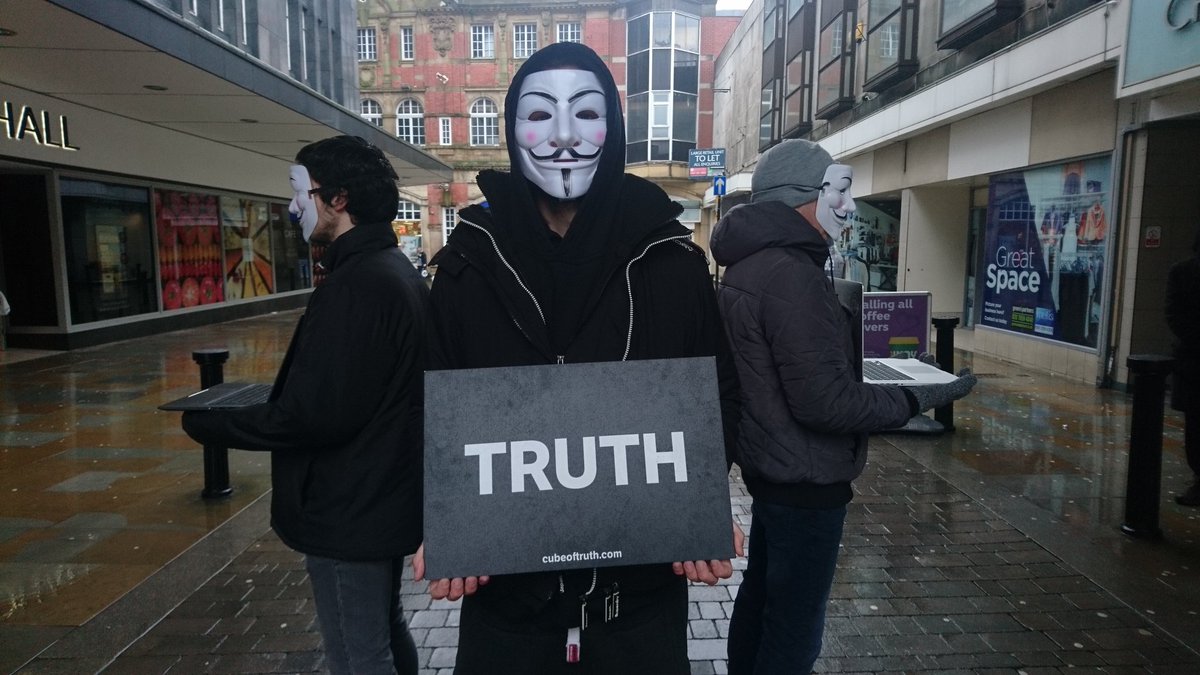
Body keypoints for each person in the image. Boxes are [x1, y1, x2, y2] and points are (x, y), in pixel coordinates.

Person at [415, 42, 742, 674]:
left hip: (640, 614)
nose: (563, 137)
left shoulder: (674, 263)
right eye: (539, 115)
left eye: (586, 113)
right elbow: (429, 406)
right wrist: (445, 519)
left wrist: (699, 501)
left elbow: (717, 392)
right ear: (512, 132)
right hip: (507, 614)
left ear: (612, 129)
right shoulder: (465, 266)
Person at [710, 139, 977, 674]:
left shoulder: (752, 264)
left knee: (764, 603)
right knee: (793, 628)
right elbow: (824, 401)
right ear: (802, 199)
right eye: (840, 190)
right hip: (806, 478)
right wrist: (914, 398)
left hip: (775, 467)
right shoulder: (790, 272)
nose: (850, 207)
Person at [180, 136, 428, 675]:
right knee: (383, 634)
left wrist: (211, 422)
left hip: (348, 507)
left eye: (300, 191)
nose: (292, 205)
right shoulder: (389, 271)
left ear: (337, 199)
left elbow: (317, 414)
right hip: (379, 498)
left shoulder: (359, 285)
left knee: (357, 654)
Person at [1169, 229, 1200, 506]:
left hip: (1191, 362)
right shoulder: (1183, 273)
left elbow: (1173, 316)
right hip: (1193, 363)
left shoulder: (1181, 272)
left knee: (1194, 425)